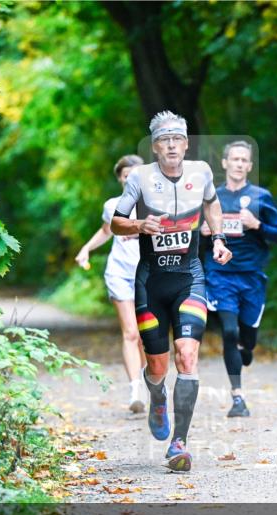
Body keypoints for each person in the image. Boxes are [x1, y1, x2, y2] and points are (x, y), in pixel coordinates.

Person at [110, 111, 232, 472]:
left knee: (187, 355)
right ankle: (157, 396)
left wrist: (219, 237)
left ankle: (179, 443)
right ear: (155, 146)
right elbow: (115, 222)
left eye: (177, 139)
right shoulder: (140, 178)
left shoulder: (202, 172)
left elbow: (211, 201)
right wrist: (137, 223)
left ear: (186, 143)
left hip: (189, 277)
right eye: (164, 140)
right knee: (158, 366)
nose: (171, 145)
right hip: (151, 281)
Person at [202, 140, 277, 417]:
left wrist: (257, 225)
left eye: (243, 160)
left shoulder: (262, 197)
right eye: (234, 159)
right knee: (228, 331)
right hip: (220, 274)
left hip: (252, 276)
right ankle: (238, 398)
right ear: (224, 163)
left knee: (246, 339)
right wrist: (202, 231)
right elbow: (191, 234)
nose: (238, 164)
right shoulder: (211, 197)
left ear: (249, 166)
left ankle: (246, 348)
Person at [74, 155, 147, 413]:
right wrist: (86, 249)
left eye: (135, 174)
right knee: (130, 332)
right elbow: (106, 231)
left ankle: (152, 380)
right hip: (120, 272)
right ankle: (135, 390)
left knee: (148, 335)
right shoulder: (113, 205)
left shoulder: (156, 204)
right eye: (126, 175)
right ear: (120, 178)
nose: (130, 179)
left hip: (149, 275)